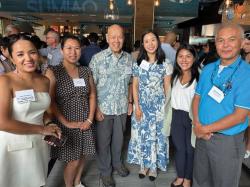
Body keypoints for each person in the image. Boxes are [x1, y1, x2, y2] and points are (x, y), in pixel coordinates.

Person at [192, 24, 250, 187]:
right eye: (220, 40)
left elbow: (240, 116)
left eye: (231, 40)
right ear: (215, 44)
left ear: (242, 43)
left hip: (227, 141)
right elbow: (197, 98)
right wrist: (197, 124)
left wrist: (205, 129)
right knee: (200, 179)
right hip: (202, 135)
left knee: (224, 182)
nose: (225, 45)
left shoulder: (247, 74)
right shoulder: (209, 68)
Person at [0, 34, 61, 187]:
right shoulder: (5, 81)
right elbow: (2, 122)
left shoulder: (44, 81)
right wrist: (42, 129)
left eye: (32, 52)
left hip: (39, 144)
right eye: (20, 54)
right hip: (13, 145)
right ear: (12, 59)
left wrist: (50, 123)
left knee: (38, 181)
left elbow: (43, 111)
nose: (28, 58)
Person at [45, 35, 96, 187]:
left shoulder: (86, 70)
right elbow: (50, 101)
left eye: (77, 48)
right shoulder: (53, 71)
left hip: (85, 120)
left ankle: (77, 181)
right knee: (73, 159)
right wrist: (66, 122)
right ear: (61, 50)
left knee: (83, 155)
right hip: (66, 122)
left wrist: (90, 119)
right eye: (69, 48)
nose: (73, 52)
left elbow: (92, 94)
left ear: (81, 50)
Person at [89, 24, 132, 187]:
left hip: (121, 108)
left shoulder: (129, 58)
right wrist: (96, 109)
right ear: (107, 38)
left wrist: (130, 102)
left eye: (119, 37)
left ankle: (117, 164)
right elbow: (91, 87)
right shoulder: (97, 59)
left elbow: (130, 83)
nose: (116, 40)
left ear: (124, 38)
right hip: (103, 109)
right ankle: (105, 171)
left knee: (119, 140)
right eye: (112, 37)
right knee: (103, 142)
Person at [127, 30, 172, 181]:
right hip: (141, 107)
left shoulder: (165, 63)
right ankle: (143, 165)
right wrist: (136, 107)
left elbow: (167, 88)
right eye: (147, 41)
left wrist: (165, 109)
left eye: (153, 40)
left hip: (158, 107)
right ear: (143, 44)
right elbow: (135, 86)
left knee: (156, 137)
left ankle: (153, 166)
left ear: (158, 42)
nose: (150, 44)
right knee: (142, 136)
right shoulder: (138, 63)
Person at [170, 44, 199, 187]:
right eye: (180, 56)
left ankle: (187, 179)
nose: (184, 60)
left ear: (194, 58)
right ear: (176, 59)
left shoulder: (199, 77)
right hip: (176, 117)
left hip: (192, 118)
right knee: (180, 148)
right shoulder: (174, 75)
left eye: (188, 56)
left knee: (190, 149)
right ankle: (180, 176)